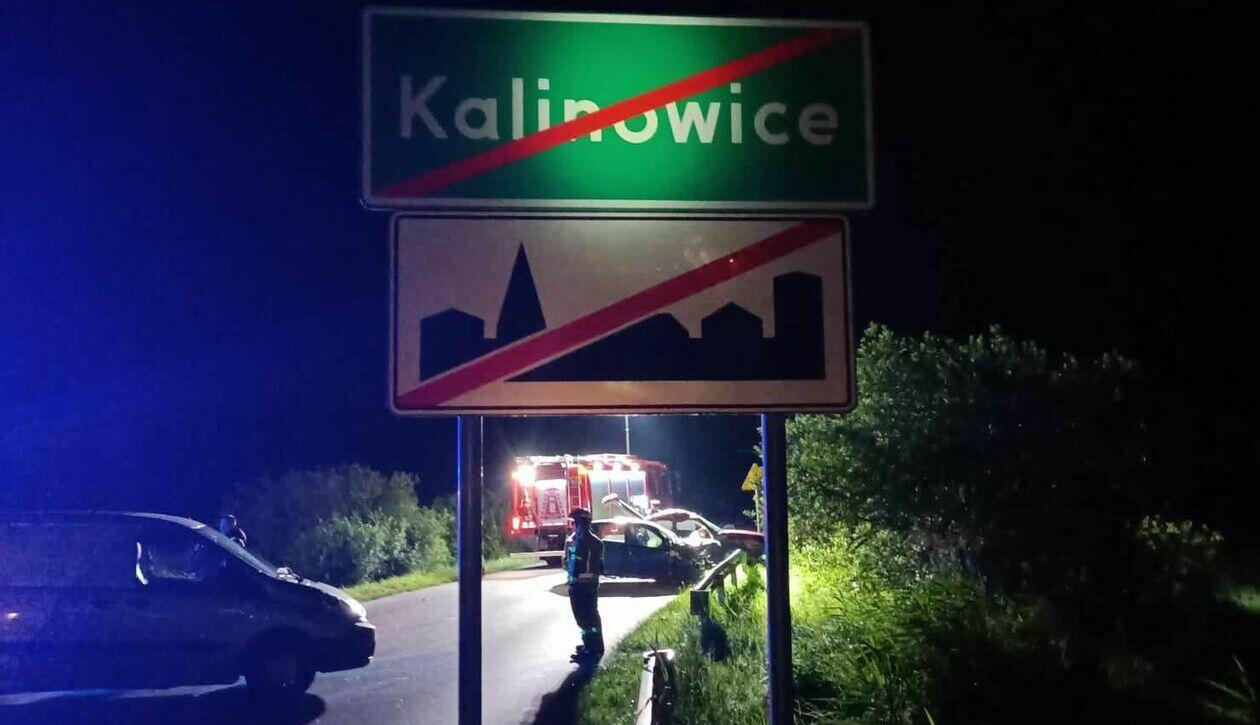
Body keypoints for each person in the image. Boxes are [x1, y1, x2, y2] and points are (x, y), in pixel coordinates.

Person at [565, 507, 604, 664]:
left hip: (581, 587)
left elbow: (581, 567)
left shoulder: (584, 542)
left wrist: (575, 582)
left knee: (585, 619)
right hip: (585, 586)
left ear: (581, 523)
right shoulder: (589, 540)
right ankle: (592, 645)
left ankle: (592, 649)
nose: (573, 526)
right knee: (589, 618)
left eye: (574, 523)